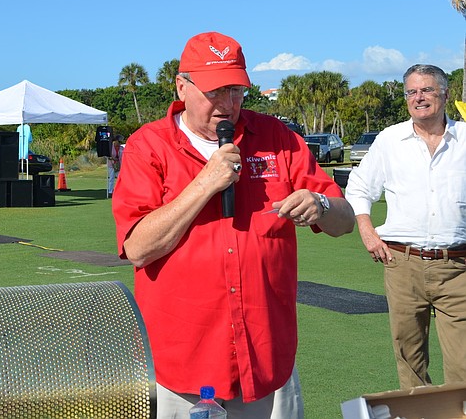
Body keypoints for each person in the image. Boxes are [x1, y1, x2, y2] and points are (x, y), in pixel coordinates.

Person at [112, 32, 354, 419]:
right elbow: (138, 248)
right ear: (182, 87)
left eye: (236, 91)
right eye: (215, 91)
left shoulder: (277, 137)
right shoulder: (149, 145)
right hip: (182, 365)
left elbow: (345, 221)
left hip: (265, 358)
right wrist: (205, 184)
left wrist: (321, 204)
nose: (228, 105)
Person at [345, 64, 466, 389]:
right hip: (402, 263)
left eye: (426, 90)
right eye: (411, 92)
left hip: (458, 267)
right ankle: (418, 412)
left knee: (464, 365)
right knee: (410, 362)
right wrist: (368, 232)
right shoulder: (390, 140)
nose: (418, 97)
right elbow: (359, 187)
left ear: (445, 94)